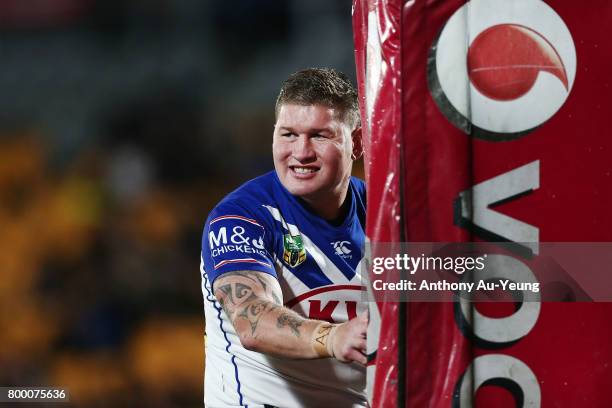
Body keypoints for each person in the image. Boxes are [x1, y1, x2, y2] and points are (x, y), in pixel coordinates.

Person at [200, 68, 368, 407]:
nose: (301, 152)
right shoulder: (240, 217)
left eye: (320, 136)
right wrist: (332, 337)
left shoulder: (387, 213)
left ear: (358, 143)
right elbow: (252, 320)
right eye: (288, 134)